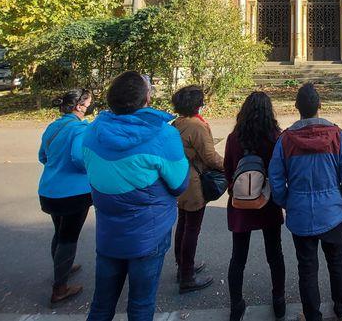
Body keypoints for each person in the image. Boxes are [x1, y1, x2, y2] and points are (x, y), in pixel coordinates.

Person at [82, 71, 189, 321]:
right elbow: (179, 184)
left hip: (109, 232)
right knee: (141, 305)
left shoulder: (93, 131)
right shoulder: (163, 135)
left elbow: (90, 169)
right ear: (146, 99)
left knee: (100, 305)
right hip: (148, 234)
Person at [269, 83, 342, 321]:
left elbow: (275, 178)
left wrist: (287, 201)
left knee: (307, 267)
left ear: (297, 108)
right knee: (336, 260)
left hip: (300, 213)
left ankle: (311, 315)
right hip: (332, 212)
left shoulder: (286, 140)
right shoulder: (336, 135)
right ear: (320, 106)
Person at [224, 91, 286, 321]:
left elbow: (228, 171)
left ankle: (235, 305)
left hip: (241, 204)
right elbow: (279, 173)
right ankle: (278, 300)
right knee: (275, 255)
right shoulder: (275, 137)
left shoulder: (233, 138)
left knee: (238, 258)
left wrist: (236, 190)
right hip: (267, 202)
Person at [38, 88, 94, 304]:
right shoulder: (80, 129)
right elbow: (79, 159)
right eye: (88, 103)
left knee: (59, 232)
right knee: (69, 238)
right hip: (74, 193)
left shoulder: (53, 127)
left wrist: (57, 167)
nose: (89, 107)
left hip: (49, 190)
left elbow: (42, 156)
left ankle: (63, 268)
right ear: (79, 106)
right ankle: (60, 288)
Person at [171, 85, 223, 293]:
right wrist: (230, 165)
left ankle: (182, 264)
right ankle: (187, 276)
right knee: (192, 227)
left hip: (180, 179)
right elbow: (210, 156)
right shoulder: (196, 126)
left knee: (183, 223)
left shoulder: (177, 123)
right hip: (193, 182)